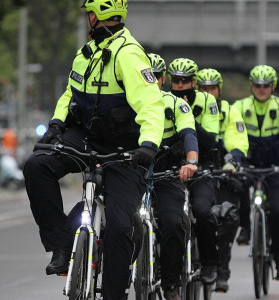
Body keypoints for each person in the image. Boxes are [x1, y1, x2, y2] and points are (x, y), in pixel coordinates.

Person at [23, 1, 165, 299]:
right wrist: (56, 125)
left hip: (125, 150)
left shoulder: (129, 54)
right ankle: (61, 243)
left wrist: (149, 145)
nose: (86, 19)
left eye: (88, 14)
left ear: (96, 16)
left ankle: (115, 294)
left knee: (118, 226)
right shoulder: (85, 53)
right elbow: (70, 94)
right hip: (86, 137)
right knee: (37, 165)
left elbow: (152, 105)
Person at [232, 65, 279, 280]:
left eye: (266, 85)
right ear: (251, 86)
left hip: (276, 166)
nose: (261, 89)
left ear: (273, 86)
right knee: (237, 183)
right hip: (249, 162)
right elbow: (231, 134)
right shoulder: (240, 106)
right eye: (257, 85)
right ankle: (245, 226)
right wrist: (232, 160)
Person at [147, 53, 199, 300]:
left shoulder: (178, 104)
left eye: (156, 76)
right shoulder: (126, 101)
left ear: (162, 78)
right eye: (146, 75)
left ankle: (170, 285)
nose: (151, 80)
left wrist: (191, 161)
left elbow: (189, 132)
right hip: (133, 177)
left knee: (173, 224)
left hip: (167, 176)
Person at [167, 58, 220, 284]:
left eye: (185, 81)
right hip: (171, 167)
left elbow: (209, 140)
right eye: (176, 81)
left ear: (194, 82)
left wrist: (187, 116)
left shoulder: (208, 101)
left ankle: (209, 263)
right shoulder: (164, 100)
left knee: (202, 211)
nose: (180, 85)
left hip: (202, 167)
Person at [195, 68, 248, 292]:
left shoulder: (229, 111)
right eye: (203, 88)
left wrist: (232, 161)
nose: (208, 92)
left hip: (222, 171)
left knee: (226, 217)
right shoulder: (191, 107)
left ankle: (222, 271)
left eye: (212, 88)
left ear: (220, 90)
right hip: (196, 170)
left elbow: (238, 140)